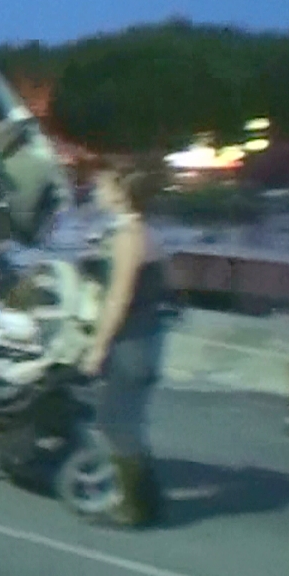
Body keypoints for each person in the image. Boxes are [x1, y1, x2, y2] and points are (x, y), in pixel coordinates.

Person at [77, 157, 172, 527]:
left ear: (121, 193)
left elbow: (118, 299)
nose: (96, 191)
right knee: (124, 420)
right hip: (146, 338)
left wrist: (98, 348)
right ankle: (149, 501)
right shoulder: (145, 233)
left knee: (117, 423)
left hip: (131, 342)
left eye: (102, 186)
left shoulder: (128, 237)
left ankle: (135, 508)